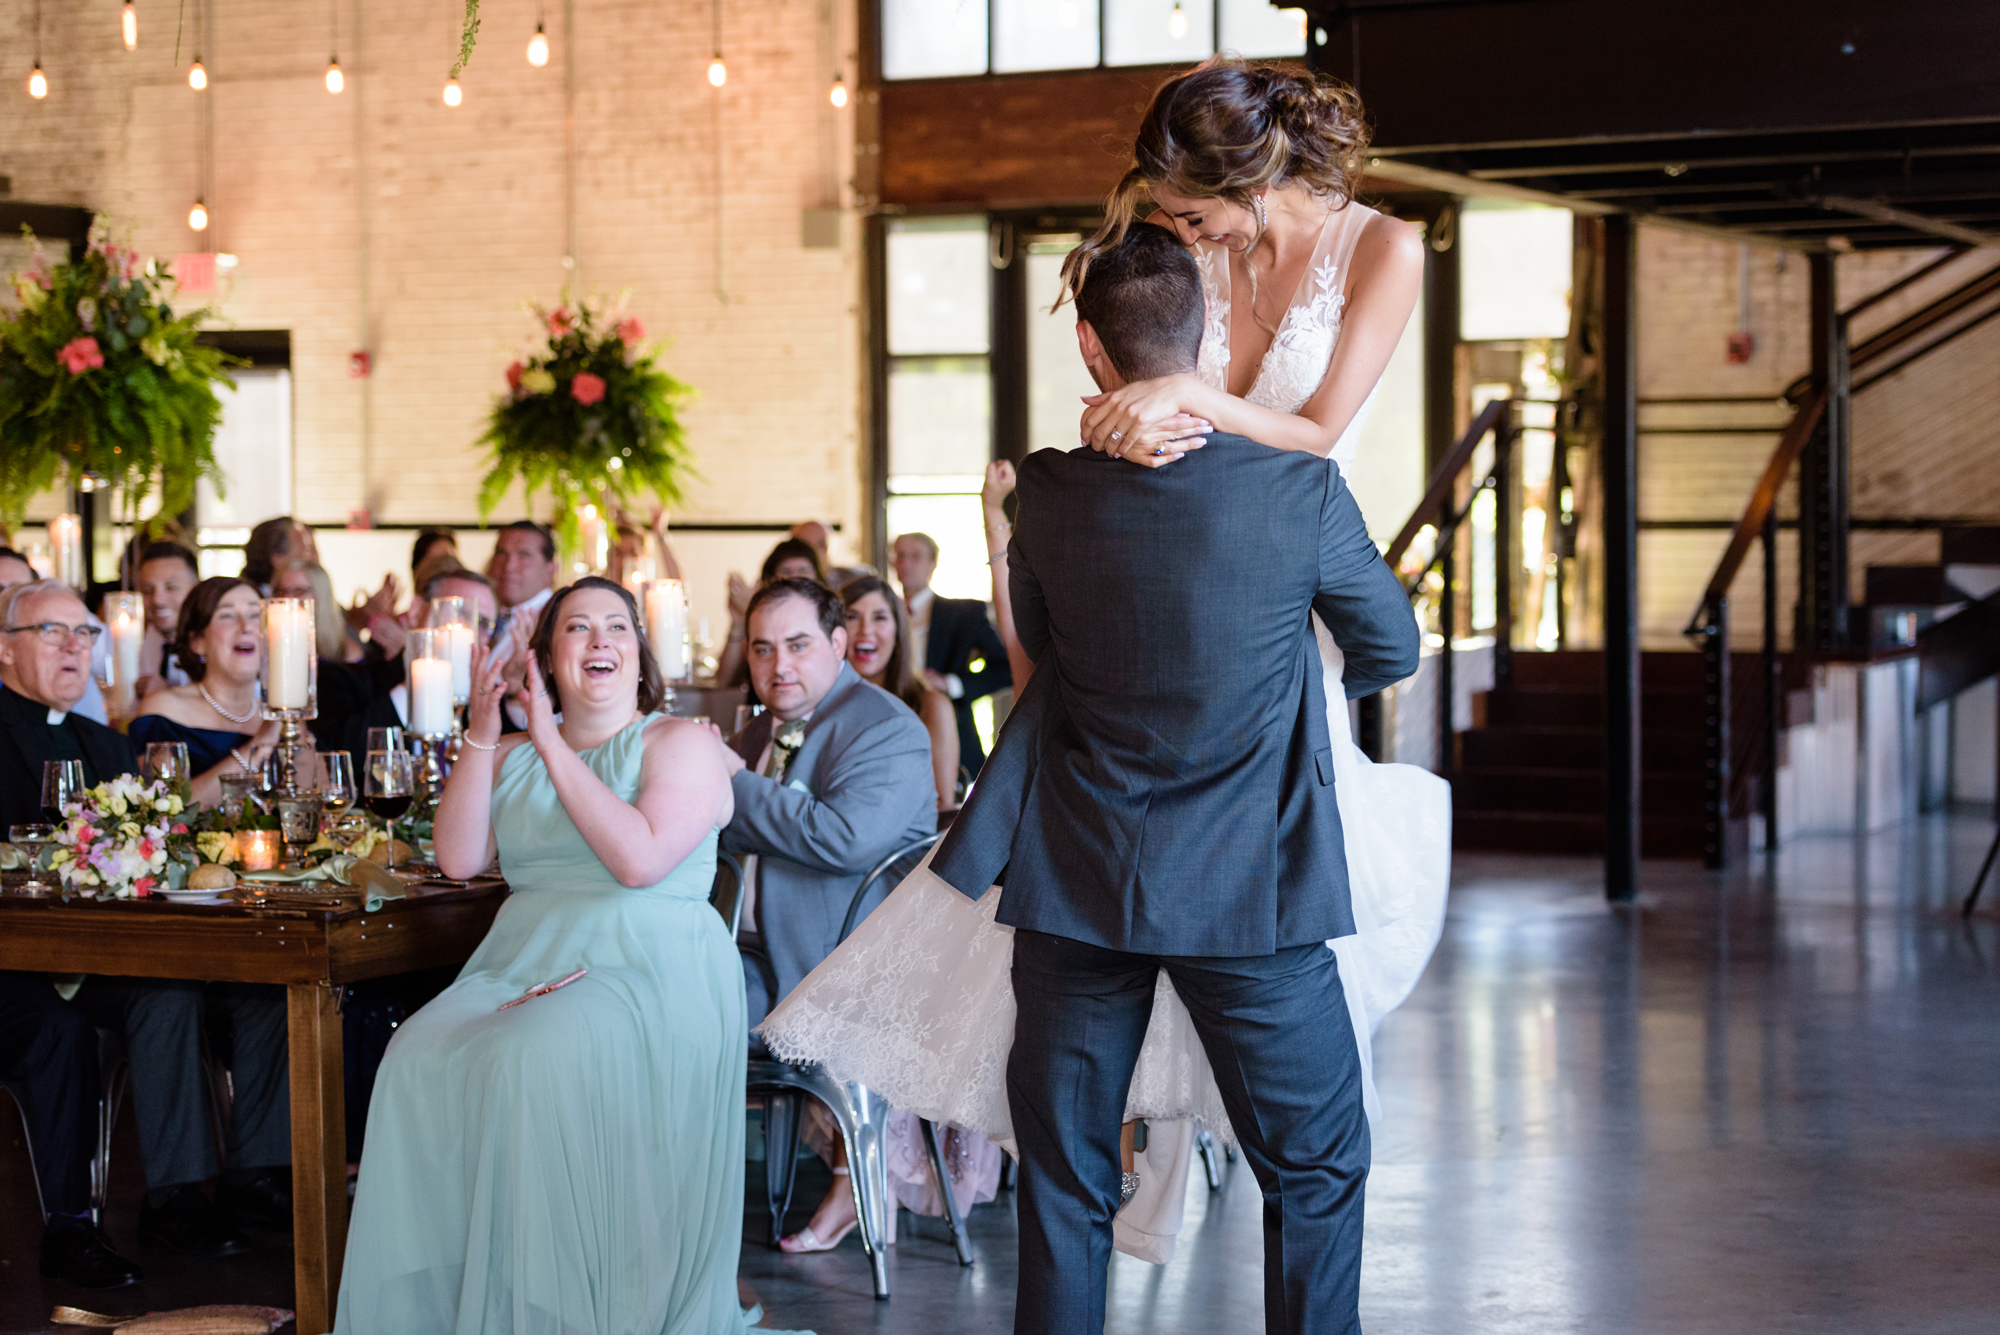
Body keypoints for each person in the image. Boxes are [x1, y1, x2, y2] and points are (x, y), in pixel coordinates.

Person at [765, 206, 1448, 1332]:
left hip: (1079, 885)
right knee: (1316, 1167)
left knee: (1068, 1185)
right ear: (1206, 340)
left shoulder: (1045, 495)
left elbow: (1038, 652)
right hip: (1254, 895)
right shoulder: (1297, 493)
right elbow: (1388, 649)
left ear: (1092, 349)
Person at [334, 577, 804, 1334]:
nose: (598, 641)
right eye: (576, 628)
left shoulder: (678, 743)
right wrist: (486, 728)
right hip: (525, 961)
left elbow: (640, 861)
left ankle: (563, 1308)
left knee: (529, 1056)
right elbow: (457, 856)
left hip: (648, 970)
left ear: (639, 653)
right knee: (415, 1052)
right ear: (545, 658)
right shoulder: (514, 751)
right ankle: (465, 1302)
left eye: (615, 627)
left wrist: (550, 740)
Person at [0, 579, 294, 1257]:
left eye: (85, 633)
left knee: (231, 984)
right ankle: (158, 1202)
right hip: (21, 961)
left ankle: (229, 1184)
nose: (76, 646)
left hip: (102, 950)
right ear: (7, 652)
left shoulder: (104, 746)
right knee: (147, 994)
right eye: (54, 632)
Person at [722, 577, 936, 1253]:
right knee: (641, 996)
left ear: (839, 644)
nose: (778, 665)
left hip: (841, 965)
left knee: (676, 1010)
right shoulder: (756, 729)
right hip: (749, 952)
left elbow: (842, 836)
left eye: (797, 644)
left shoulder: (886, 726)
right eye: (762, 648)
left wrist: (725, 778)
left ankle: (681, 1210)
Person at [129, 578, 281, 807]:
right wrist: (259, 746)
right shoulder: (163, 710)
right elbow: (166, 811)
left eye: (255, 615)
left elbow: (321, 800)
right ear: (197, 641)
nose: (247, 626)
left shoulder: (281, 714)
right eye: (227, 616)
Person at [890, 532, 1011, 777]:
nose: (906, 563)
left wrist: (951, 684)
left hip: (950, 728)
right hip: (893, 726)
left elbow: (1004, 668)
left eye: (915, 556)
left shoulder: (963, 613)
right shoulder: (882, 613)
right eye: (900, 556)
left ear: (933, 563)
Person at [841, 576, 960, 811]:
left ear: (898, 632)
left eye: (880, 618)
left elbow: (943, 805)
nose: (865, 630)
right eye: (852, 617)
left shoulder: (930, 705)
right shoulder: (818, 705)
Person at [715, 537, 830, 691]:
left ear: (817, 578)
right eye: (786, 571)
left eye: (803, 570)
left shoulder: (828, 620)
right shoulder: (760, 623)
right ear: (770, 581)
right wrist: (738, 622)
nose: (795, 578)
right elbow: (724, 681)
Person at [490, 521, 558, 731]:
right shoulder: (492, 615)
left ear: (551, 569)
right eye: (501, 553)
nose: (509, 566)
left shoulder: (555, 622)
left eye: (524, 555)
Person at [133, 540, 200, 696]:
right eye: (148, 590)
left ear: (196, 590)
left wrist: (167, 694)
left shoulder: (214, 642)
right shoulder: (145, 638)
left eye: (171, 588)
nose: (158, 600)